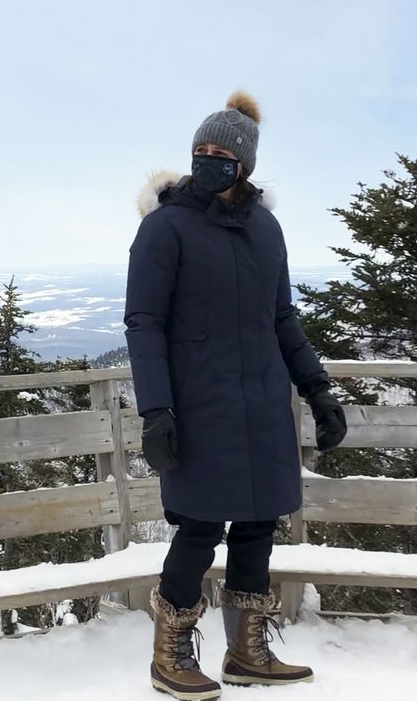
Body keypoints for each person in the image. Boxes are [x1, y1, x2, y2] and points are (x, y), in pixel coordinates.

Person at [124, 92, 347, 700]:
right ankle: (168, 652)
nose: (208, 159)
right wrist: (156, 411)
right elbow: (143, 324)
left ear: (244, 163)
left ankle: (247, 650)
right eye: (201, 150)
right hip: (198, 407)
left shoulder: (266, 230)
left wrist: (318, 389)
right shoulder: (165, 227)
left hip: (262, 404)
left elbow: (283, 319)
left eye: (221, 151)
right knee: (198, 529)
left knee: (258, 524)